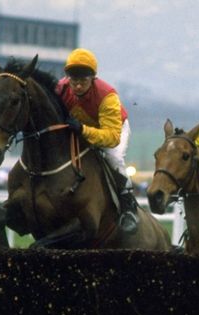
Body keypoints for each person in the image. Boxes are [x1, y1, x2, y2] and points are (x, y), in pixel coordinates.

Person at [56, 48, 139, 234]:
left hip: (114, 129)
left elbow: (111, 138)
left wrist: (83, 130)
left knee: (114, 158)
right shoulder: (61, 89)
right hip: (82, 127)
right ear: (67, 78)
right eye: (74, 81)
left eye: (83, 81)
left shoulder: (107, 96)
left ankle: (129, 208)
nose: (78, 86)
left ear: (93, 78)